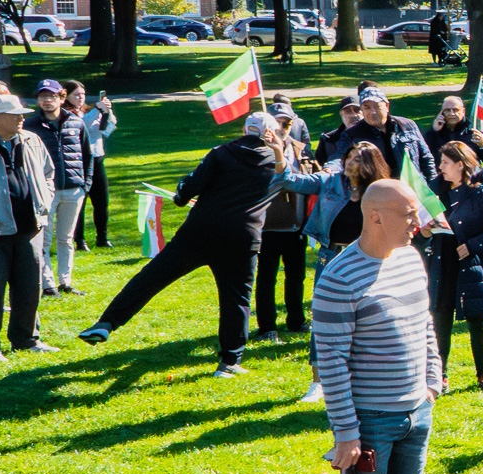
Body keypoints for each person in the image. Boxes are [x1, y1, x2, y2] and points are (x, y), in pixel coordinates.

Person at [315, 178, 460, 474]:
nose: (420, 222)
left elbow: (425, 327)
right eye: (410, 215)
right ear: (376, 216)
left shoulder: (412, 260)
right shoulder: (339, 277)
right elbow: (330, 361)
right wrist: (346, 433)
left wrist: (433, 383)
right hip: (370, 422)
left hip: (416, 410)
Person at [80, 114, 284, 372]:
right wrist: (278, 149)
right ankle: (229, 362)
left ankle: (107, 323)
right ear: (272, 133)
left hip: (200, 230)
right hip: (242, 237)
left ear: (244, 128)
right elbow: (286, 174)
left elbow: (188, 189)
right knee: (236, 300)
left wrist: (180, 193)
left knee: (153, 276)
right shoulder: (274, 162)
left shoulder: (220, 153)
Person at [428, 141, 483, 391]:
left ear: (460, 164)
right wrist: (424, 230)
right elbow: (421, 222)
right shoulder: (435, 190)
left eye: (445, 162)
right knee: (440, 318)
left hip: (474, 264)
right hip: (443, 261)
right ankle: (439, 376)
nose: (440, 167)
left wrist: (474, 245)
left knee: (477, 320)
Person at [0, 94, 53, 361]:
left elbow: (49, 173)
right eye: (15, 113)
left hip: (31, 228)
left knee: (31, 287)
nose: (22, 117)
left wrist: (45, 199)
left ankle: (26, 339)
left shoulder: (32, 140)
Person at [24, 79, 88, 296]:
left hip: (74, 189)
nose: (47, 100)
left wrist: (84, 185)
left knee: (66, 238)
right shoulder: (30, 125)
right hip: (45, 191)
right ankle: (47, 283)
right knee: (45, 237)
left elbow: (88, 155)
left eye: (51, 96)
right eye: (42, 96)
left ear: (61, 98)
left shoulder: (76, 122)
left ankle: (66, 281)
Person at [252, 122, 313, 341]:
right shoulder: (257, 150)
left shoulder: (301, 148)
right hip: (267, 226)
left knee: (296, 276)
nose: (283, 129)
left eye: (287, 123)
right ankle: (267, 327)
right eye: (278, 124)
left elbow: (313, 174)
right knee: (266, 277)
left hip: (297, 225)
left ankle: (297, 322)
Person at [71, 84, 114, 251]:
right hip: (80, 162)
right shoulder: (68, 114)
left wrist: (107, 112)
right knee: (79, 203)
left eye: (82, 94)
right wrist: (97, 109)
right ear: (66, 96)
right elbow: (81, 126)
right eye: (76, 94)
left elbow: (109, 126)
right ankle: (79, 241)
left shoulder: (90, 111)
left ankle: (102, 238)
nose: (81, 97)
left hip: (97, 159)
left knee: (102, 201)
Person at [424, 95, 483, 167]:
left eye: (455, 110)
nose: (451, 113)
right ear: (441, 113)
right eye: (447, 110)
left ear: (463, 111)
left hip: (469, 177)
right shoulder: (434, 133)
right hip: (443, 177)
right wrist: (434, 131)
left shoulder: (473, 131)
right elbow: (425, 157)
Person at [317, 95, 362, 165]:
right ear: (341, 114)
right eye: (348, 111)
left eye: (357, 110)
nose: (353, 115)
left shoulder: (376, 135)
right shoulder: (328, 140)